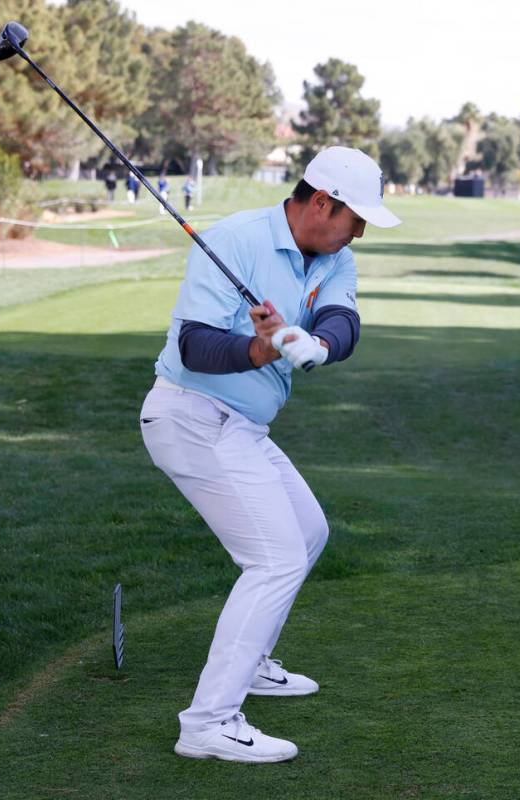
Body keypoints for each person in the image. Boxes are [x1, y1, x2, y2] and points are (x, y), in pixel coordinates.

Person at [139, 146, 400, 764]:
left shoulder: (335, 258)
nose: (360, 229)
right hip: (189, 415)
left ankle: (251, 666)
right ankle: (208, 722)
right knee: (275, 559)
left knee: (308, 533)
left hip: (243, 427)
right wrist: (260, 351)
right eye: (354, 216)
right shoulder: (235, 240)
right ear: (320, 203)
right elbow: (196, 345)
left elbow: (345, 323)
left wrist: (312, 342)